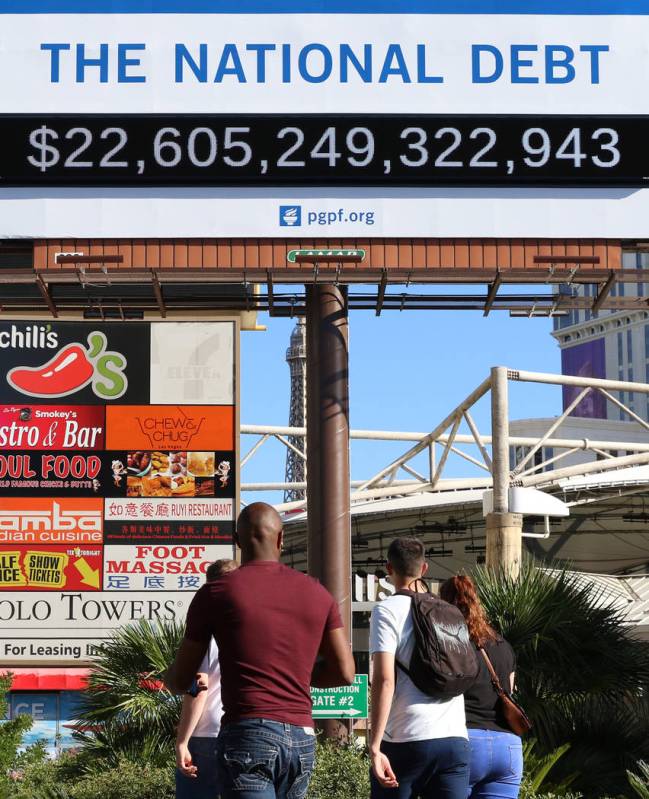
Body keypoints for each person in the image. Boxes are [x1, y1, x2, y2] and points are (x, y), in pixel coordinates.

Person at [164, 502, 356, 799]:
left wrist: (172, 678)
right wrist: (299, 675)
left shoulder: (215, 593)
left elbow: (180, 680)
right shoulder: (317, 592)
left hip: (248, 733)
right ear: (281, 539)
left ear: (237, 542)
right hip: (302, 734)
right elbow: (345, 672)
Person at [370, 537, 470, 799]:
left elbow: (384, 680)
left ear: (389, 569)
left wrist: (375, 745)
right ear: (424, 568)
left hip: (406, 738)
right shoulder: (449, 611)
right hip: (455, 739)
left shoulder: (386, 611)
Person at [439, 575, 523, 799]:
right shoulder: (503, 645)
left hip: (466, 741)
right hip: (508, 747)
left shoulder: (449, 647)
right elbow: (510, 693)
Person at [175, 558, 238, 799]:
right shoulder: (253, 626)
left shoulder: (209, 630)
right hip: (247, 730)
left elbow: (199, 687)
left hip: (208, 734)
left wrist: (182, 741)